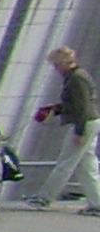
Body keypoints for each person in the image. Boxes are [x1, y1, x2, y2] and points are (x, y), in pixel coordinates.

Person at [26, 46, 99, 213]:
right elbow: (78, 103)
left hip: (85, 123)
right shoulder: (78, 75)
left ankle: (44, 198)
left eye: (56, 65)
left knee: (65, 163)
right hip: (92, 121)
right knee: (87, 166)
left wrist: (80, 132)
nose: (55, 69)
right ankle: (97, 203)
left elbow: (82, 107)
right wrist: (56, 109)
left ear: (64, 63)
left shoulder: (76, 79)